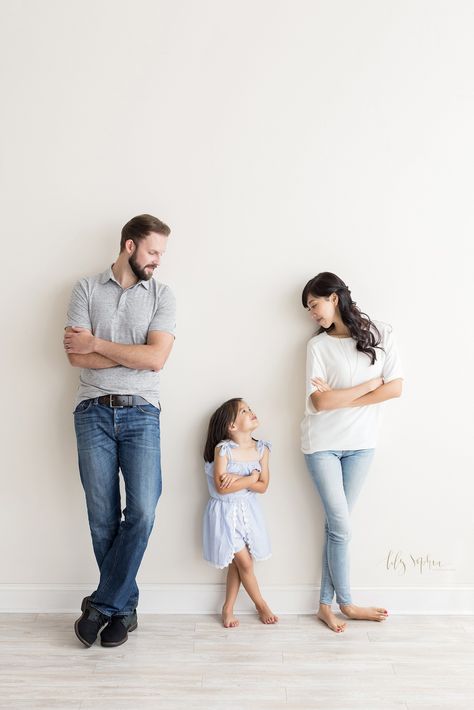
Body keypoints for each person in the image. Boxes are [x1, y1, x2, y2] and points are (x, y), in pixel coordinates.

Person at [64, 214, 176, 648]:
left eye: (162, 254)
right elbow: (76, 357)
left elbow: (156, 360)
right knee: (102, 517)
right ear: (129, 246)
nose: (158, 261)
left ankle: (101, 604)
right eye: (153, 252)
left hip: (142, 412)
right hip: (91, 411)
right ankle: (123, 610)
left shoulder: (162, 296)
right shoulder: (85, 289)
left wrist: (100, 345)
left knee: (144, 510)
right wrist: (130, 353)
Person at [301, 272, 403, 633]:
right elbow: (320, 401)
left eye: (315, 304)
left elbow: (395, 389)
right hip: (322, 446)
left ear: (334, 296)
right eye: (309, 309)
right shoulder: (317, 347)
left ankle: (325, 606)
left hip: (362, 445)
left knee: (335, 526)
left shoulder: (380, 333)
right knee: (342, 526)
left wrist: (343, 397)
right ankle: (347, 603)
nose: (312, 313)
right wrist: (368, 386)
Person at [203, 398, 278, 627]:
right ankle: (261, 604)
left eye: (249, 408)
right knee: (245, 563)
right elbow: (222, 488)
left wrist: (241, 480)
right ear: (231, 426)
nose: (251, 411)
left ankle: (227, 608)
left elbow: (264, 487)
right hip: (225, 515)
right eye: (243, 411)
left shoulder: (262, 449)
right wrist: (251, 478)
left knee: (239, 563)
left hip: (249, 513)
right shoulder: (223, 450)